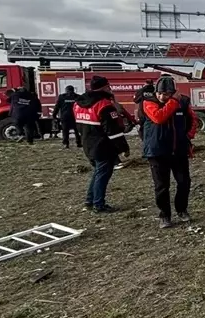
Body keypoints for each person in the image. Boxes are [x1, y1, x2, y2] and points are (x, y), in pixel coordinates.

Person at [141, 75, 198, 229]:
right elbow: (159, 118)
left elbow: (193, 120)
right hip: (157, 152)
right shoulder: (148, 103)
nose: (162, 97)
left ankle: (182, 209)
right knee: (161, 186)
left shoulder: (184, 103)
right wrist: (173, 102)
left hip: (178, 150)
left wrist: (188, 136)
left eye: (166, 94)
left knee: (184, 182)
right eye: (159, 93)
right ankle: (165, 215)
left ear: (173, 92)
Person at [73, 75, 129, 213]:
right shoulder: (104, 105)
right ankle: (99, 204)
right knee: (103, 174)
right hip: (103, 146)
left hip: (88, 144)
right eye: (109, 86)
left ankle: (90, 199)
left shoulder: (77, 104)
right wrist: (123, 147)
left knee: (98, 172)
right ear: (104, 87)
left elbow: (78, 126)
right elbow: (112, 130)